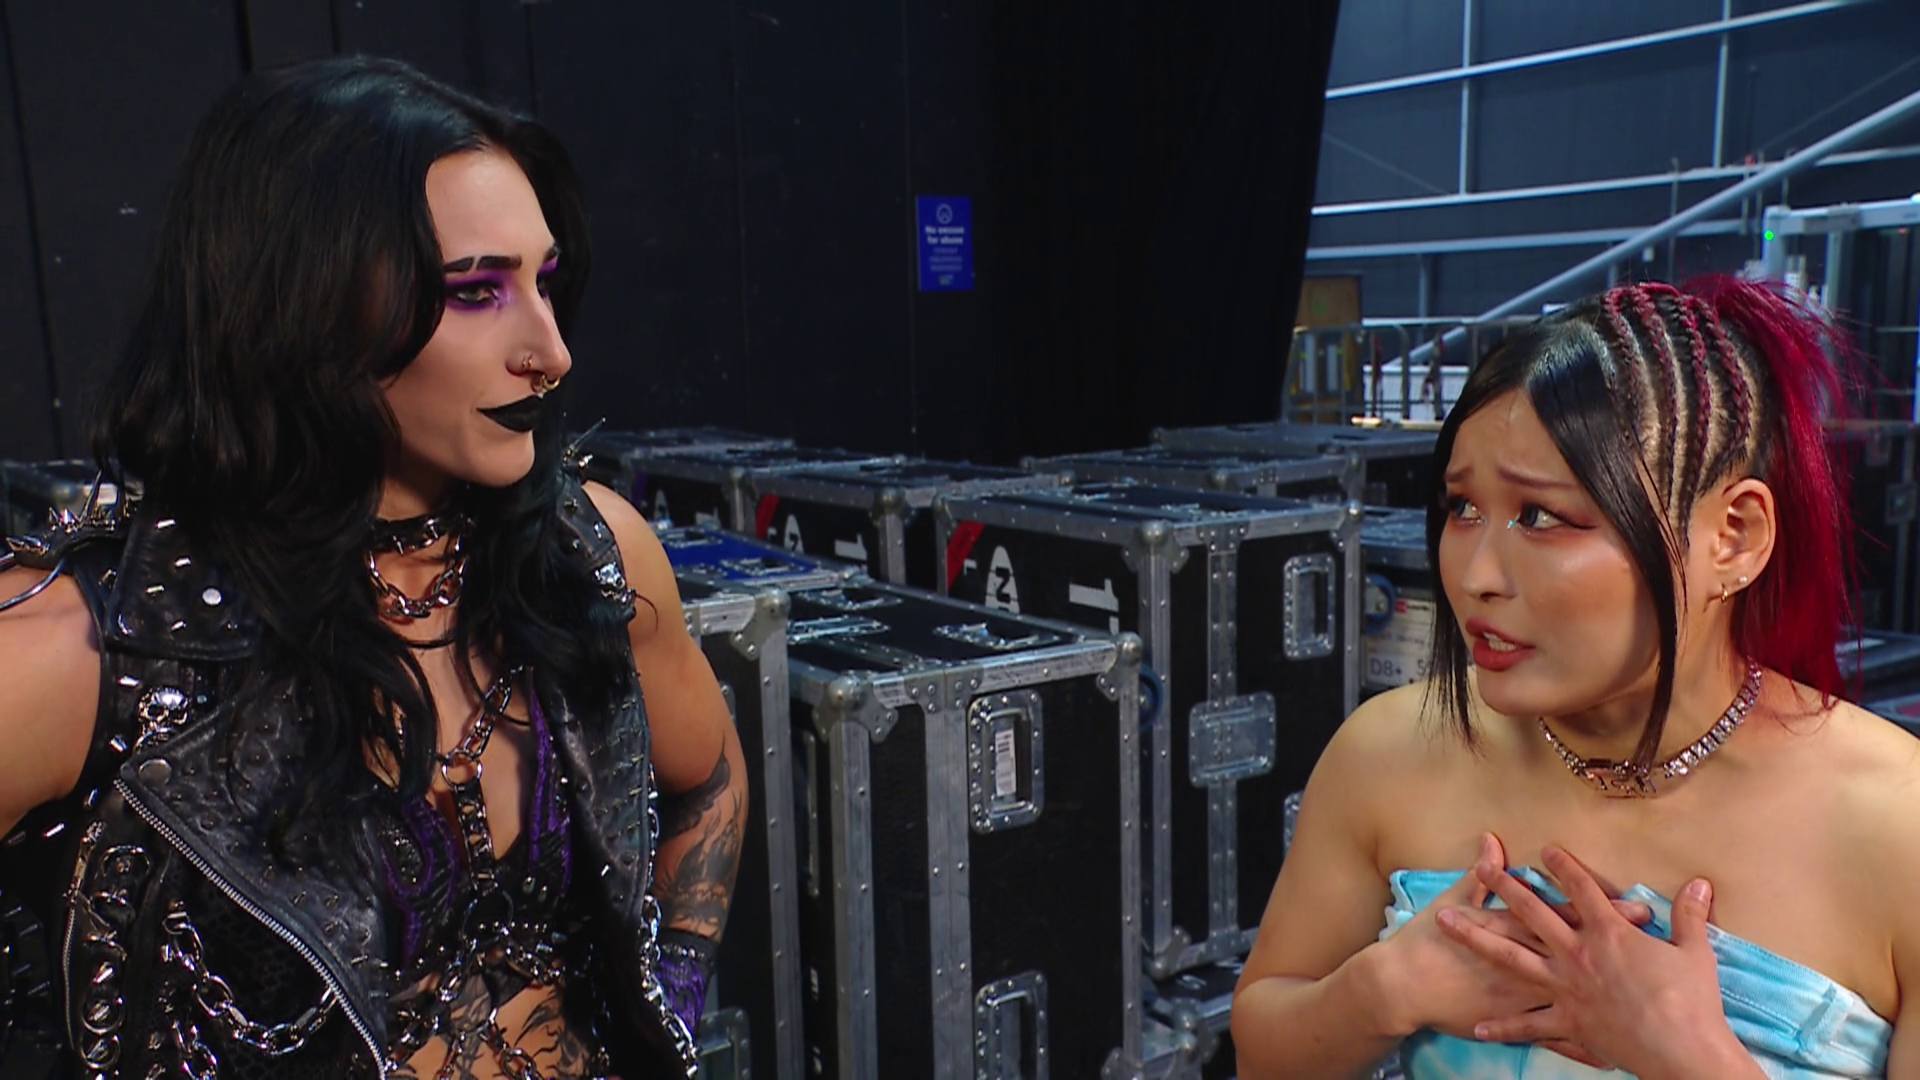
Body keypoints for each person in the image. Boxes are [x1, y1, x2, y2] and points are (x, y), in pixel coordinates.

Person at [0, 56, 747, 1080]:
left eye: (545, 281)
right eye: (476, 291)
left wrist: (673, 1005)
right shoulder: (86, 657)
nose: (551, 351)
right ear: (300, 302)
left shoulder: (590, 551)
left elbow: (708, 777)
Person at [1232, 279, 1920, 1078]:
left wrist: (1695, 1059)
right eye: (1463, 508)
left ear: (1733, 537)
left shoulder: (1895, 823)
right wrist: (1384, 990)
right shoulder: (1388, 752)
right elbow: (1263, 1054)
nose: (1476, 575)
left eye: (1541, 517)